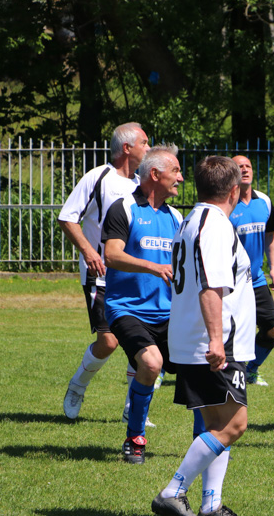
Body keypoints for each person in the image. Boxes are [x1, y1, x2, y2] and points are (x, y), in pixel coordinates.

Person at [153, 156, 254, 516]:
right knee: (234, 425)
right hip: (213, 342)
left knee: (216, 425)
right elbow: (211, 286)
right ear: (234, 189)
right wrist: (216, 339)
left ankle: (211, 505)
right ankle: (173, 489)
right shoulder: (215, 225)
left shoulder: (191, 219)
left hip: (191, 337)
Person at [58, 122, 150, 420]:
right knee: (108, 341)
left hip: (134, 277)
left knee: (142, 343)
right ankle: (78, 385)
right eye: (145, 143)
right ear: (127, 148)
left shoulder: (142, 185)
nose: (149, 149)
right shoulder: (99, 177)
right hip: (99, 275)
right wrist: (88, 250)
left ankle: (131, 408)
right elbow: (68, 217)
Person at [101, 145, 184, 464]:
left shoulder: (176, 216)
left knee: (200, 368)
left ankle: (205, 443)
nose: (180, 177)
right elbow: (112, 255)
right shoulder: (123, 208)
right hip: (126, 308)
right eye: (175, 171)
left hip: (169, 312)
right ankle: (135, 436)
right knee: (150, 364)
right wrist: (153, 266)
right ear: (155, 174)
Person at [229, 155, 274, 387]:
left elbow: (271, 235)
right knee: (232, 331)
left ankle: (252, 370)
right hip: (231, 281)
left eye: (248, 166)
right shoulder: (226, 204)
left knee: (271, 329)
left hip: (257, 279)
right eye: (239, 167)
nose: (245, 170)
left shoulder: (264, 201)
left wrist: (273, 267)